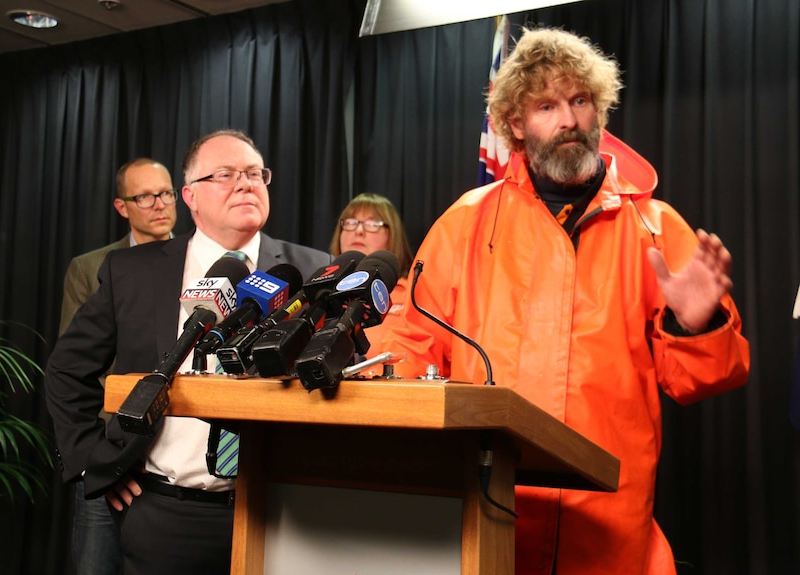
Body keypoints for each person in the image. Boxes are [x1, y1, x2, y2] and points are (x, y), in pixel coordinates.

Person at [379, 28, 750, 574]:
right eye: (547, 105)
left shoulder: (655, 227)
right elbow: (408, 340)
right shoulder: (465, 223)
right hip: (489, 514)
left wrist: (695, 327)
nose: (569, 120)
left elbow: (704, 378)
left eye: (580, 101)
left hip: (609, 530)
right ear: (516, 125)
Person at [45, 129, 333, 575]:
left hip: (284, 513)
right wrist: (92, 461)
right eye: (225, 174)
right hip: (166, 514)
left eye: (255, 173)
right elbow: (66, 371)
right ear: (189, 196)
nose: (245, 183)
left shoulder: (312, 269)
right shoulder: (133, 272)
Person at [59, 157, 177, 575]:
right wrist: (99, 457)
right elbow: (73, 369)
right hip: (111, 448)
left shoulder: (200, 261)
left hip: (176, 454)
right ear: (121, 206)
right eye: (144, 196)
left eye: (165, 192)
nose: (159, 204)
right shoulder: (90, 268)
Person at [328, 193, 414, 356]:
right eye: (351, 222)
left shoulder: (414, 295)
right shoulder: (322, 294)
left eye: (372, 224)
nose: (359, 230)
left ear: (392, 234)